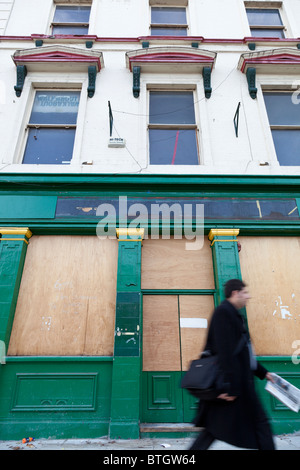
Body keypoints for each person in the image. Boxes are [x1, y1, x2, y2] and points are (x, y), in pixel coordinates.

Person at [189, 279, 276, 450]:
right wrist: (229, 387)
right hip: (234, 385)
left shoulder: (234, 314)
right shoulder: (223, 313)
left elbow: (243, 352)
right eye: (245, 292)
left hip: (239, 383)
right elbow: (225, 352)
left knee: (214, 430)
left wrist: (263, 372)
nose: (248, 297)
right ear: (235, 293)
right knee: (256, 424)